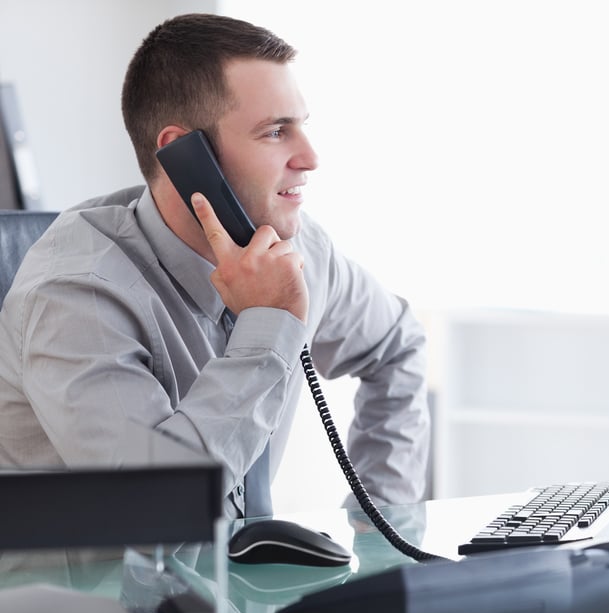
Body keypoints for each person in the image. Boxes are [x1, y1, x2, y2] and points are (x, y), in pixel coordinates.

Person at [0, 13, 430, 518]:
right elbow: (157, 514)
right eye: (275, 132)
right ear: (182, 154)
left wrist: (381, 521)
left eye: (302, 127)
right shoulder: (76, 293)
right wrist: (269, 327)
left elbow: (397, 345)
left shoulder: (300, 251)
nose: (310, 157)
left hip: (236, 587)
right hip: (87, 596)